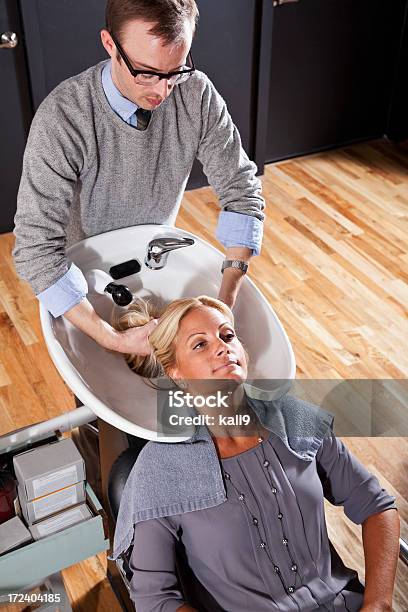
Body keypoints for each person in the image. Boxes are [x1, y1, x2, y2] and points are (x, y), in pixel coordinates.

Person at [12, 0, 265, 498]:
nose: (162, 90)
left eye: (176, 71)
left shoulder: (193, 94)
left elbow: (240, 187)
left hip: (150, 250)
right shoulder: (64, 117)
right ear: (110, 45)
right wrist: (108, 338)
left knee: (179, 414)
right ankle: (103, 462)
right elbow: (35, 249)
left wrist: (227, 293)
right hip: (76, 274)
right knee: (107, 405)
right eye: (147, 73)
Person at [111, 296, 400, 612]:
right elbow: (156, 600)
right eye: (200, 345)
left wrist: (378, 602)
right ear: (175, 372)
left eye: (227, 335)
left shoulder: (296, 419)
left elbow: (376, 506)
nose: (223, 348)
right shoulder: (161, 468)